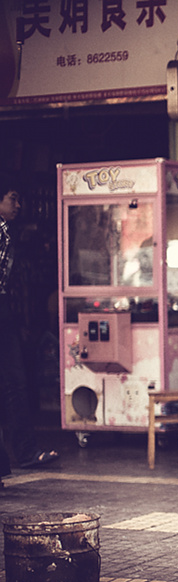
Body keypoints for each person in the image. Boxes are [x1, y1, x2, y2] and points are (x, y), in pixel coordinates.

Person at [0, 179, 59, 478]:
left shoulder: (8, 234)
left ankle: (23, 452)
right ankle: (21, 453)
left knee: (14, 383)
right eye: (13, 198)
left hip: (4, 311)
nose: (18, 205)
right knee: (13, 382)